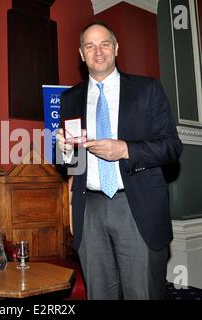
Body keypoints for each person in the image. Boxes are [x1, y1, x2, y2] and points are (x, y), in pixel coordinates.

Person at [56, 21, 183, 300]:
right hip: (90, 211)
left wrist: (126, 149)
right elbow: (73, 164)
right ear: (81, 53)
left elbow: (172, 147)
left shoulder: (147, 89)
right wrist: (64, 151)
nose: (97, 51)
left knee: (143, 294)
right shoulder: (69, 98)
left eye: (104, 44)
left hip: (136, 207)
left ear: (116, 48)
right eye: (90, 46)